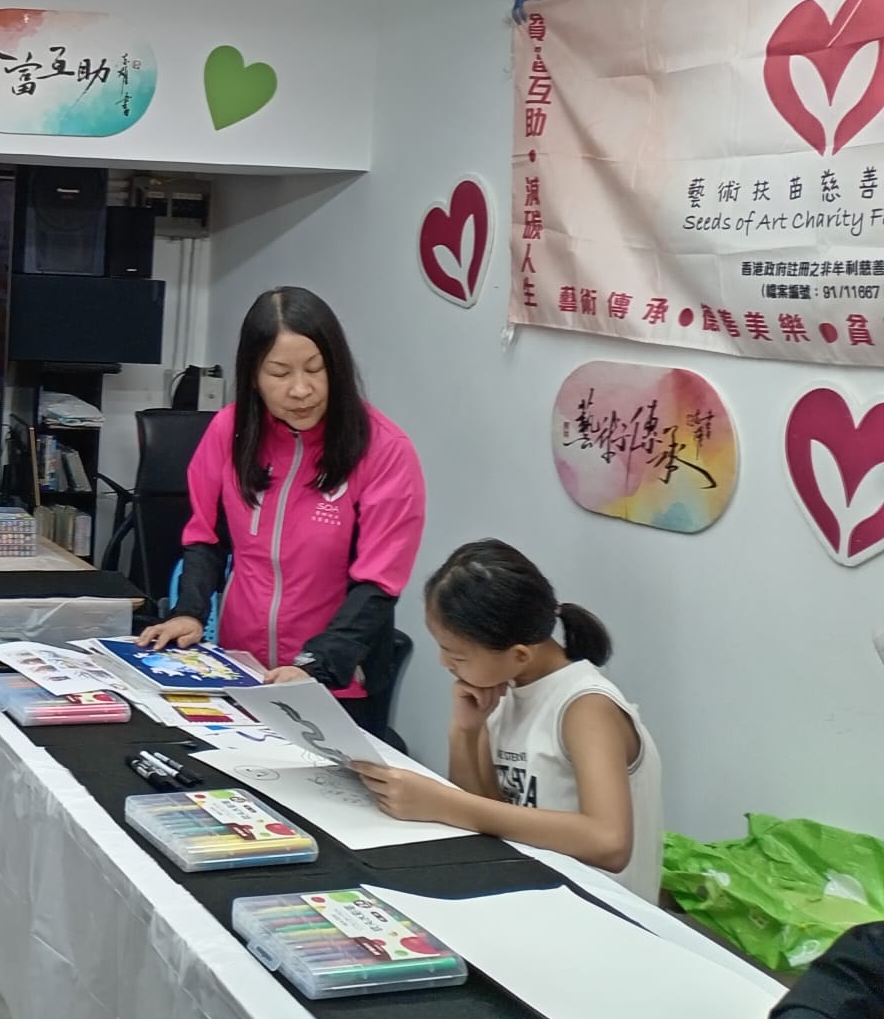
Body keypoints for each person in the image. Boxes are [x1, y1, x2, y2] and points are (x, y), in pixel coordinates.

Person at [136, 287, 426, 721]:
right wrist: (189, 612)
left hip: (335, 683)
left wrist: (315, 666)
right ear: (253, 374)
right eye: (279, 372)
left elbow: (377, 583)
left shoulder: (384, 450)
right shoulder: (230, 431)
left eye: (315, 369)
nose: (301, 389)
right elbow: (207, 537)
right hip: (240, 671)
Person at [351, 539, 664, 902]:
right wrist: (465, 732)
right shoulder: (505, 688)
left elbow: (609, 842)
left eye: (457, 656)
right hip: (529, 890)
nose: (444, 663)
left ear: (519, 655)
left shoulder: (585, 706)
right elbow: (484, 815)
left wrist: (443, 803)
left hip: (601, 910)